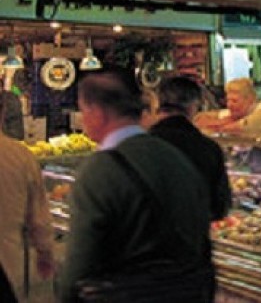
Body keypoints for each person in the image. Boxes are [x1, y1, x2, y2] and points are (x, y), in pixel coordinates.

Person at [60, 68, 212, 302]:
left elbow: (80, 262)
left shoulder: (100, 169)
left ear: (97, 112)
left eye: (83, 110)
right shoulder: (173, 156)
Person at [148, 75, 232, 221]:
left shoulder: (137, 145)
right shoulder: (208, 148)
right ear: (193, 106)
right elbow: (219, 208)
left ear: (157, 103)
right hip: (192, 238)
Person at [0, 94, 54, 302]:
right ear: (3, 111)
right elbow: (39, 219)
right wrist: (45, 253)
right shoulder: (20, 157)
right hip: (8, 268)